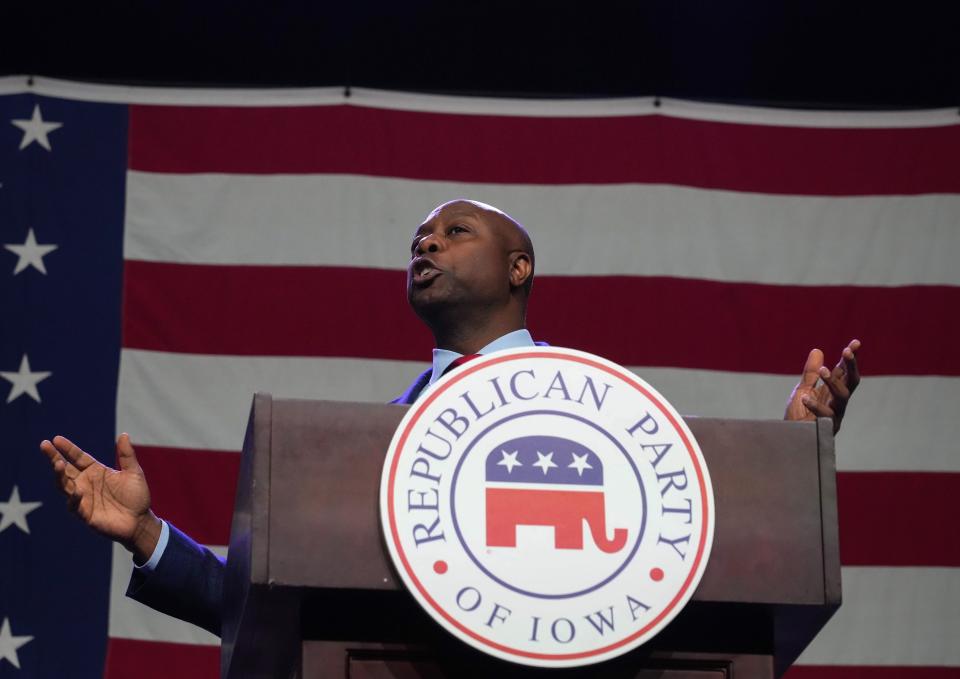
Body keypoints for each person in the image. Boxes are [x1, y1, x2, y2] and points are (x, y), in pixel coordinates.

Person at [40, 199, 861, 637]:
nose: (425, 246)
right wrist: (148, 536)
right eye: (417, 238)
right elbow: (262, 608)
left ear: (519, 267)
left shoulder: (599, 412)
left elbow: (694, 560)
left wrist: (792, 450)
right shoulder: (381, 444)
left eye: (452, 232)